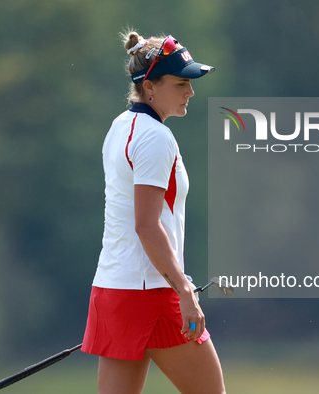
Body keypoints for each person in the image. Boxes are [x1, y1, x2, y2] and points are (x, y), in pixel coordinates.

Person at [81, 30, 225, 394]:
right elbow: (146, 226)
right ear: (150, 87)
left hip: (113, 292)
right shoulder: (156, 137)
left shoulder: (119, 126)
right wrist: (185, 290)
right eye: (181, 83)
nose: (190, 91)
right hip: (152, 293)